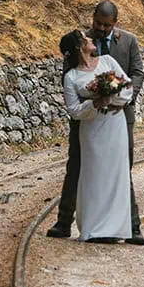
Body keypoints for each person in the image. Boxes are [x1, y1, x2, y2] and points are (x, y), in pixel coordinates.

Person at [48, 0, 144, 243]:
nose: (101, 29)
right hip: (88, 122)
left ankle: (131, 226)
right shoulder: (78, 41)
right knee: (77, 168)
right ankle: (64, 222)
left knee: (123, 168)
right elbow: (70, 82)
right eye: (98, 24)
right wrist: (97, 100)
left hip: (120, 117)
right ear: (93, 19)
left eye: (106, 25)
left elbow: (136, 74)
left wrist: (121, 100)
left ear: (115, 23)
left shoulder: (128, 41)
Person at [56, 28, 134, 241]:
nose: (91, 39)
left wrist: (113, 100)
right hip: (91, 129)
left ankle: (116, 228)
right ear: (79, 47)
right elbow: (73, 110)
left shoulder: (108, 61)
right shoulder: (71, 77)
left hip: (115, 123)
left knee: (116, 174)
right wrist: (95, 103)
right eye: (86, 38)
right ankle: (93, 228)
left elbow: (127, 87)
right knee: (93, 175)